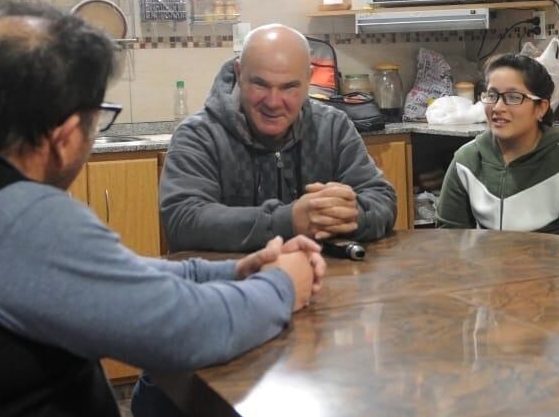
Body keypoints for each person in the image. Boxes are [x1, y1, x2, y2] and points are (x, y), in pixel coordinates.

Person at [0, 4, 326, 417]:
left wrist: (229, 272)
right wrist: (281, 286)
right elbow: (186, 330)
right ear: (63, 138)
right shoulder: (11, 215)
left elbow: (109, 276)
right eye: (96, 121)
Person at [160, 23, 396, 252]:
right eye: (260, 85)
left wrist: (346, 213)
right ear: (239, 73)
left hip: (325, 283)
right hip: (229, 286)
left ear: (308, 80)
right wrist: (289, 220)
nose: (273, 102)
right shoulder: (198, 136)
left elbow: (381, 199)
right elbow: (183, 221)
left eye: (288, 87)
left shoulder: (333, 128)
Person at [435, 53, 559, 237]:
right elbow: (449, 240)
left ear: (541, 108)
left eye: (513, 97)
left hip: (554, 265)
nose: (498, 107)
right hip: (480, 265)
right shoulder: (466, 161)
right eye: (492, 95)